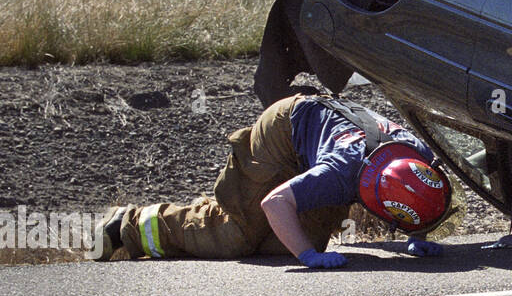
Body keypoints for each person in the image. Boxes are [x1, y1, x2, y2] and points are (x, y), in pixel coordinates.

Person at [92, 95, 454, 268]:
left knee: (287, 242)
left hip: (322, 144)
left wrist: (416, 235)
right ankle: (130, 224)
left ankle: (247, 221)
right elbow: (274, 203)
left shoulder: (417, 155)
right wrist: (309, 257)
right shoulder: (341, 173)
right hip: (283, 130)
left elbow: (415, 189)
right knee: (237, 236)